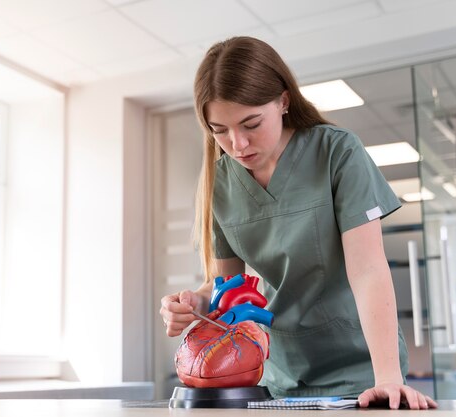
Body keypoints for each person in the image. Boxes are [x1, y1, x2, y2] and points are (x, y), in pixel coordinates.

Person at [159, 36, 438, 410]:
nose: (238, 144)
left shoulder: (337, 152)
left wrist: (388, 377)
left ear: (284, 101)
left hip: (362, 369)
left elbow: (369, 269)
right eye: (219, 130)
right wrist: (197, 299)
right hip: (278, 373)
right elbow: (228, 286)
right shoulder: (219, 180)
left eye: (251, 123)